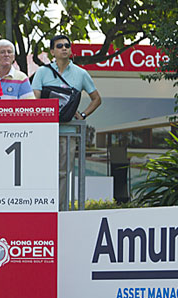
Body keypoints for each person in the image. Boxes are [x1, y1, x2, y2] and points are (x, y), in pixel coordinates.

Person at [31, 34, 102, 210]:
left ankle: (59, 209)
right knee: (41, 171)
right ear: (52, 51)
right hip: (44, 131)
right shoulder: (42, 72)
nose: (64, 48)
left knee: (63, 173)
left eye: (67, 46)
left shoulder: (81, 73)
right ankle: (41, 208)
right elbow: (35, 100)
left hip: (68, 131)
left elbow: (96, 99)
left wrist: (83, 115)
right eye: (60, 45)